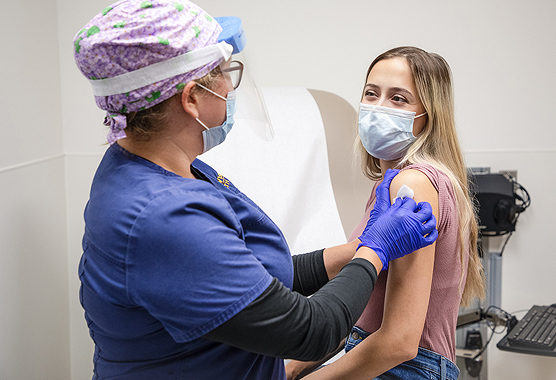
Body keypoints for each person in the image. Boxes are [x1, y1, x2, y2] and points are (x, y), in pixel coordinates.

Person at [74, 3, 439, 379]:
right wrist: (374, 251)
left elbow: (247, 281)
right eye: (223, 74)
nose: (231, 87)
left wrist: (349, 254)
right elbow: (311, 331)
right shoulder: (161, 217)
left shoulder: (156, 166)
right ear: (190, 98)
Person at [286, 47, 486, 380]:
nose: (378, 108)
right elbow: (364, 311)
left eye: (398, 99)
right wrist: (293, 369)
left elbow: (399, 342)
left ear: (428, 116)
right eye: (371, 93)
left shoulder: (413, 183)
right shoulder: (388, 186)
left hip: (403, 368)